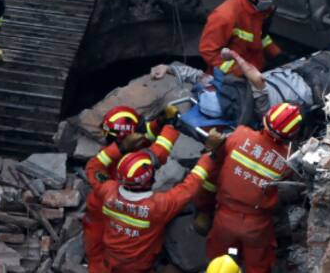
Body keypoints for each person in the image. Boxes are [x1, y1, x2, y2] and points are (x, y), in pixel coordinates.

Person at [201, 103, 303, 273]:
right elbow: (289, 186)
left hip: (224, 220)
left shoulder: (240, 135)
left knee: (220, 265)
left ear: (265, 119)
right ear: (292, 135)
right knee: (258, 267)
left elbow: (214, 165)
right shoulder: (287, 162)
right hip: (256, 228)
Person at [83, 106, 180, 273]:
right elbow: (158, 154)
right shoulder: (135, 162)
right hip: (111, 209)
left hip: (104, 205)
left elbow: (144, 133)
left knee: (98, 248)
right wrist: (171, 126)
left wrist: (159, 121)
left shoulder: (108, 154)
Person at [94, 148, 217, 273]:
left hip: (110, 259)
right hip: (139, 266)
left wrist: (119, 146)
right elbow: (188, 188)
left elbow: (93, 168)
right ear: (151, 178)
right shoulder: (158, 206)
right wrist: (208, 158)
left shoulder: (107, 190)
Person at [199, 0, 284, 77]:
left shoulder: (260, 10)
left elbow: (261, 36)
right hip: (231, 80)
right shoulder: (224, 16)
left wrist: (277, 54)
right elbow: (209, 52)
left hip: (256, 69)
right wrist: (239, 72)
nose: (270, 0)